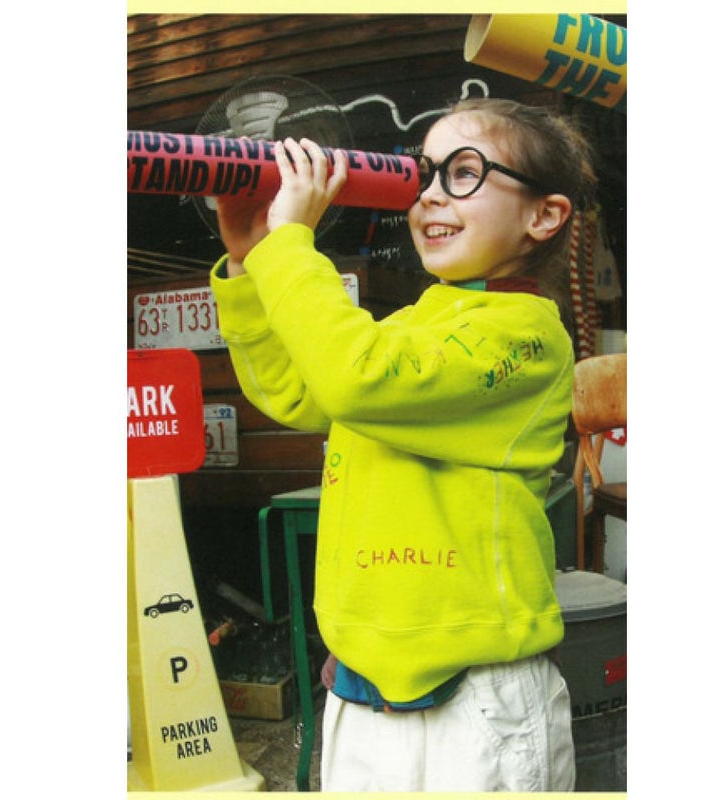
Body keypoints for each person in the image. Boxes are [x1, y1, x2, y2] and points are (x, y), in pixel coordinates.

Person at [211, 97, 596, 792]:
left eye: (465, 173)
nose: (430, 196)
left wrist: (290, 245)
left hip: (478, 701)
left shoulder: (525, 336)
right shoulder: (416, 324)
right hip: (363, 682)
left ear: (543, 216)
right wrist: (249, 263)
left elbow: (354, 380)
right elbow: (297, 392)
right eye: (423, 175)